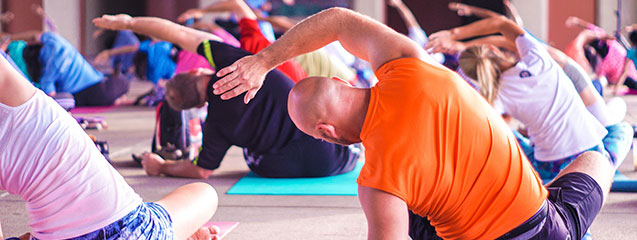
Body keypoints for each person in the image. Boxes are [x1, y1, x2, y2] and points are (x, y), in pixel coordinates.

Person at [208, 7, 615, 239]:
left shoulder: (377, 184)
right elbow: (336, 20)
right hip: (542, 227)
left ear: (324, 133)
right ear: (341, 80)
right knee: (596, 159)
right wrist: (263, 61)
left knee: (408, 217)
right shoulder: (411, 66)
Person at [93, 13, 360, 179]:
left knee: (251, 156)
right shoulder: (231, 63)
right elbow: (181, 33)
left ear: (197, 106)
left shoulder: (215, 126)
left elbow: (201, 170)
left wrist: (161, 166)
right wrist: (129, 22)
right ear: (198, 70)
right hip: (336, 152)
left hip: (289, 168)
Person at [0, 47, 220, 239]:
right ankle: (176, 229)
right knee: (205, 194)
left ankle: (175, 229)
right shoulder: (21, 102)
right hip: (130, 232)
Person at [427, 11, 632, 180]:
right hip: (590, 154)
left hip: (548, 167)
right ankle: (605, 168)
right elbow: (502, 25)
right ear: (492, 50)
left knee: (509, 136)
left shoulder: (497, 94)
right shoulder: (536, 58)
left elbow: (490, 134)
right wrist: (455, 35)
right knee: (622, 130)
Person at [177, 0, 308, 83]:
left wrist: (201, 12)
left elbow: (236, 4)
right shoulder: (256, 43)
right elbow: (236, 4)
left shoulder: (255, 46)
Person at [1, 30, 130, 106]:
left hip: (88, 87)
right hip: (91, 85)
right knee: (123, 83)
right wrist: (10, 38)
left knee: (119, 83)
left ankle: (115, 89)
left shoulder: (48, 72)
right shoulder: (54, 41)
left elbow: (50, 98)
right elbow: (35, 35)